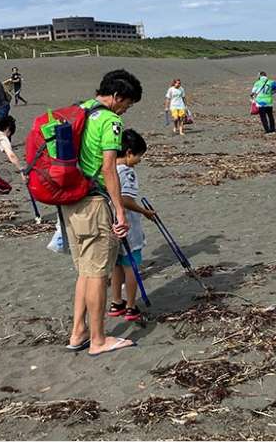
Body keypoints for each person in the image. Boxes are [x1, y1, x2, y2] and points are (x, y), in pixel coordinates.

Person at [64, 69, 141, 356]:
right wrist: (120, 211)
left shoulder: (80, 110)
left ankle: (78, 332)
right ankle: (98, 340)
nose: (125, 110)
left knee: (84, 271)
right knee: (97, 273)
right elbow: (109, 167)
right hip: (94, 201)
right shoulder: (110, 120)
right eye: (127, 104)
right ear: (117, 96)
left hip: (70, 199)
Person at [108, 129, 156, 324]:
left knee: (117, 265)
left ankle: (116, 302)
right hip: (128, 228)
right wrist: (144, 211)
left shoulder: (107, 168)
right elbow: (125, 199)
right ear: (128, 153)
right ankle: (130, 306)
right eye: (138, 156)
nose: (139, 160)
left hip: (112, 226)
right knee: (132, 267)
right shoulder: (127, 172)